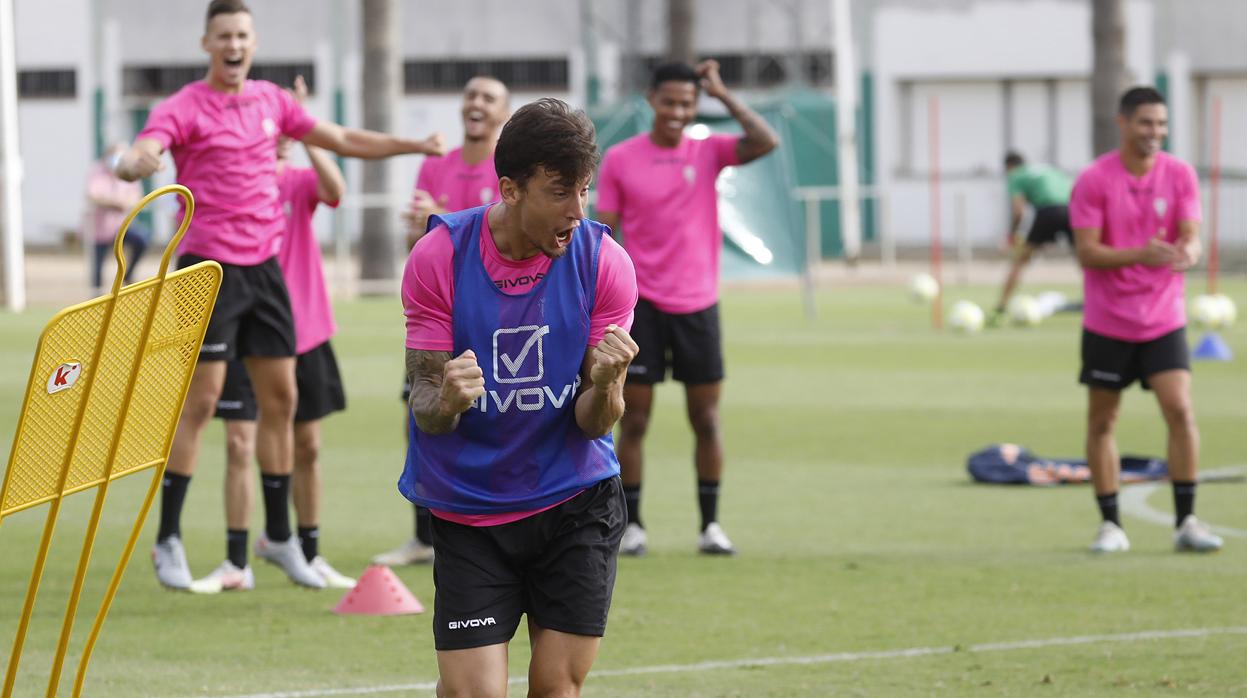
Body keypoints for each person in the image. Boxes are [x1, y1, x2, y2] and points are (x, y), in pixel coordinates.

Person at [115, 0, 444, 590]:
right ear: (207, 44)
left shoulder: (273, 101)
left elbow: (341, 137)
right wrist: (137, 161)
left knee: (283, 401)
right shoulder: (184, 106)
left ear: (253, 42)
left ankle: (281, 539)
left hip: (265, 271)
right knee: (201, 400)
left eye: (242, 35)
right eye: (224, 36)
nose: (234, 45)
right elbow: (149, 145)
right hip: (207, 269)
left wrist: (413, 146)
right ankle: (167, 538)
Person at [399, 98, 638, 697]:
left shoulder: (604, 262)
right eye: (560, 193)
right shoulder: (440, 256)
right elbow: (425, 406)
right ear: (509, 188)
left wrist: (607, 385)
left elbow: (594, 423)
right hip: (472, 509)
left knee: (557, 687)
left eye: (584, 191)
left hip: (574, 502)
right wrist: (448, 400)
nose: (577, 211)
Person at [595, 60, 778, 556]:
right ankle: (633, 527)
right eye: (670, 101)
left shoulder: (710, 150)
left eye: (687, 103)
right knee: (632, 420)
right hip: (643, 307)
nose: (677, 112)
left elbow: (766, 140)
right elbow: (603, 236)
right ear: (651, 99)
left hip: (699, 305)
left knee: (708, 420)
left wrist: (722, 93)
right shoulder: (620, 158)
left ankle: (710, 527)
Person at [196, 76, 353, 592]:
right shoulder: (232, 187)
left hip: (303, 332)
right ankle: (236, 561)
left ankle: (307, 550)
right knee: (240, 443)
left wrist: (308, 134)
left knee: (306, 444)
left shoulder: (296, 183)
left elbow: (335, 190)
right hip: (244, 333)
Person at [1069, 86, 1222, 554]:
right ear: (1123, 123)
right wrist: (1142, 253)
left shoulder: (1179, 175)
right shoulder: (1095, 179)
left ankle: (1187, 521)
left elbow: (1191, 233)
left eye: (1161, 124)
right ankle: (1111, 524)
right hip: (1108, 320)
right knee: (1102, 421)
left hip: (1163, 318)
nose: (1155, 133)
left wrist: (1190, 252)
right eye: (1145, 123)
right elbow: (1087, 251)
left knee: (1180, 410)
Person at [373, 75, 510, 568]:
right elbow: (419, 244)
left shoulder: (507, 172)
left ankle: (492, 520)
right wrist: (422, 226)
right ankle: (424, 535)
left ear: (503, 114)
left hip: (492, 317)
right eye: (470, 95)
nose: (476, 103)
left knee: (491, 415)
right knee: (422, 410)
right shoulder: (437, 165)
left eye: (488, 98)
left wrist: (444, 216)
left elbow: (502, 240)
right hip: (437, 316)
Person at [991, 152, 1073, 322]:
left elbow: (1018, 211)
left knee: (1020, 261)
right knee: (1086, 260)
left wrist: (1012, 235)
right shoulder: (1049, 170)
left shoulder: (1015, 176)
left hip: (1047, 211)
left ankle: (1001, 307)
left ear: (1009, 167)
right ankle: (1102, 304)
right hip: (1071, 209)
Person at [85, 144, 149, 291]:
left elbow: (135, 196)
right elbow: (93, 195)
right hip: (101, 227)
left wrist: (124, 203)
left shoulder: (129, 171)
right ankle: (96, 292)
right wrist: (115, 202)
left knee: (141, 239)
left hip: (123, 225)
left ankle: (128, 275)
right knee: (98, 262)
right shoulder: (97, 172)